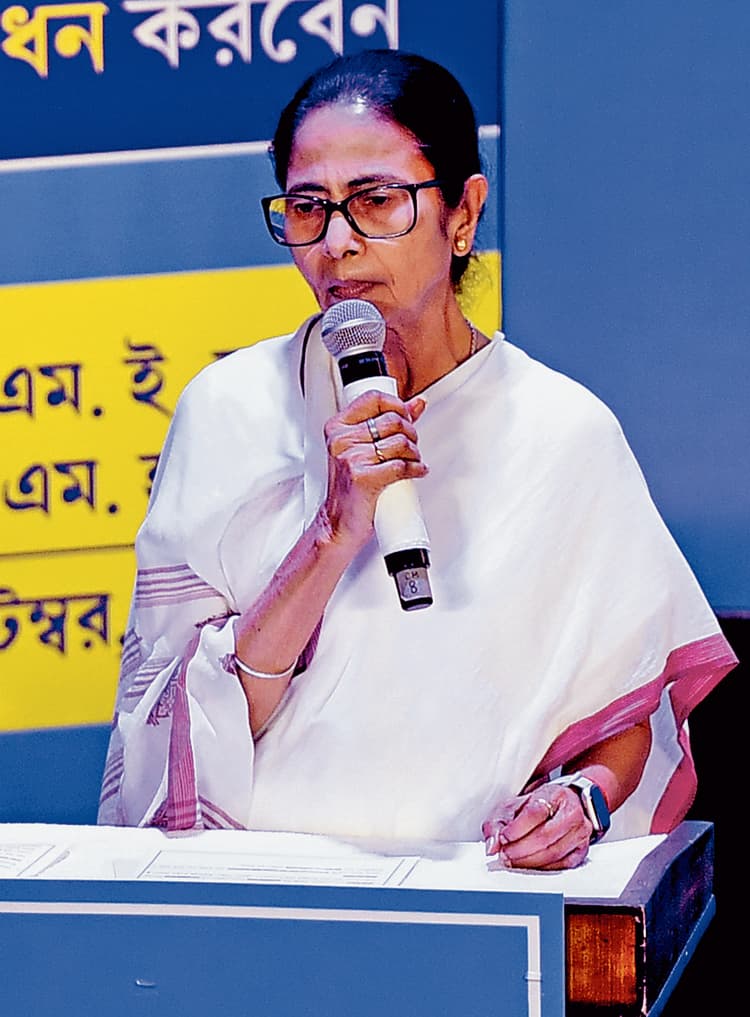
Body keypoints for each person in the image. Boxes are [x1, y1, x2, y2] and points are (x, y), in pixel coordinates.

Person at [98, 49, 736, 870]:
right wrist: (330, 536)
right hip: (257, 891)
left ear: (463, 212)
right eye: (307, 208)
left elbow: (623, 720)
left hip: (472, 902)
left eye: (376, 202)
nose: (337, 243)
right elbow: (172, 735)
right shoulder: (229, 410)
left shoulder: (563, 433)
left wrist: (580, 802)